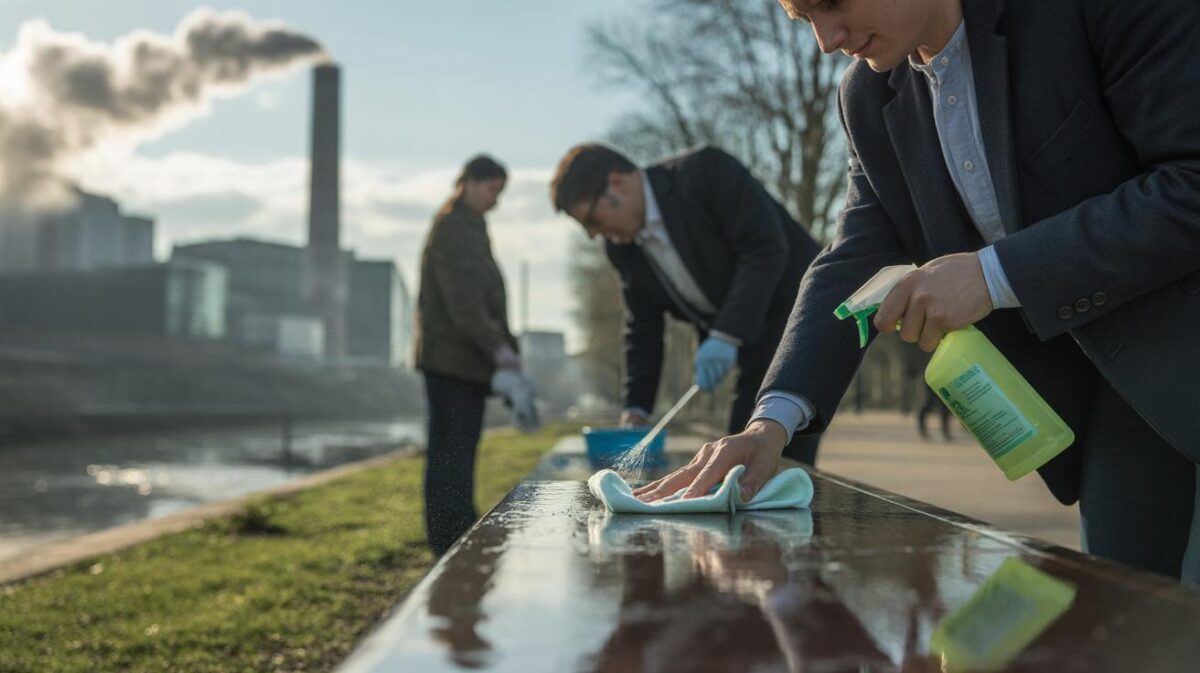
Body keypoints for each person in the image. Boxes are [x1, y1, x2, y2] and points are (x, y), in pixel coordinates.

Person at [636, 0, 1200, 582]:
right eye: (804, 20)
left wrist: (994, 275)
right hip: (1119, 407)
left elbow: (1190, 180)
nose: (825, 39)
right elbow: (853, 257)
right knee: (1127, 618)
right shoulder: (867, 97)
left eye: (831, 3)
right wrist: (770, 423)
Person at [551, 144, 823, 464]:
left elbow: (765, 249)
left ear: (616, 183)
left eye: (590, 220)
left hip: (804, 316)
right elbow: (642, 328)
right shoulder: (622, 249)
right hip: (751, 340)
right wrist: (636, 410)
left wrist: (726, 334)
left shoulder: (706, 172)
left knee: (772, 454)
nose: (593, 234)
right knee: (742, 455)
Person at [413, 154, 538, 555]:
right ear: (466, 182)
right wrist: (498, 348)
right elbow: (465, 302)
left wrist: (502, 348)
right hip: (451, 362)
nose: (495, 199)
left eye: (500, 192)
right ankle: (449, 539)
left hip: (464, 362)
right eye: (491, 189)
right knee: (451, 453)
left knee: (459, 452)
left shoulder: (469, 225)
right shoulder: (454, 228)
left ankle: (456, 533)